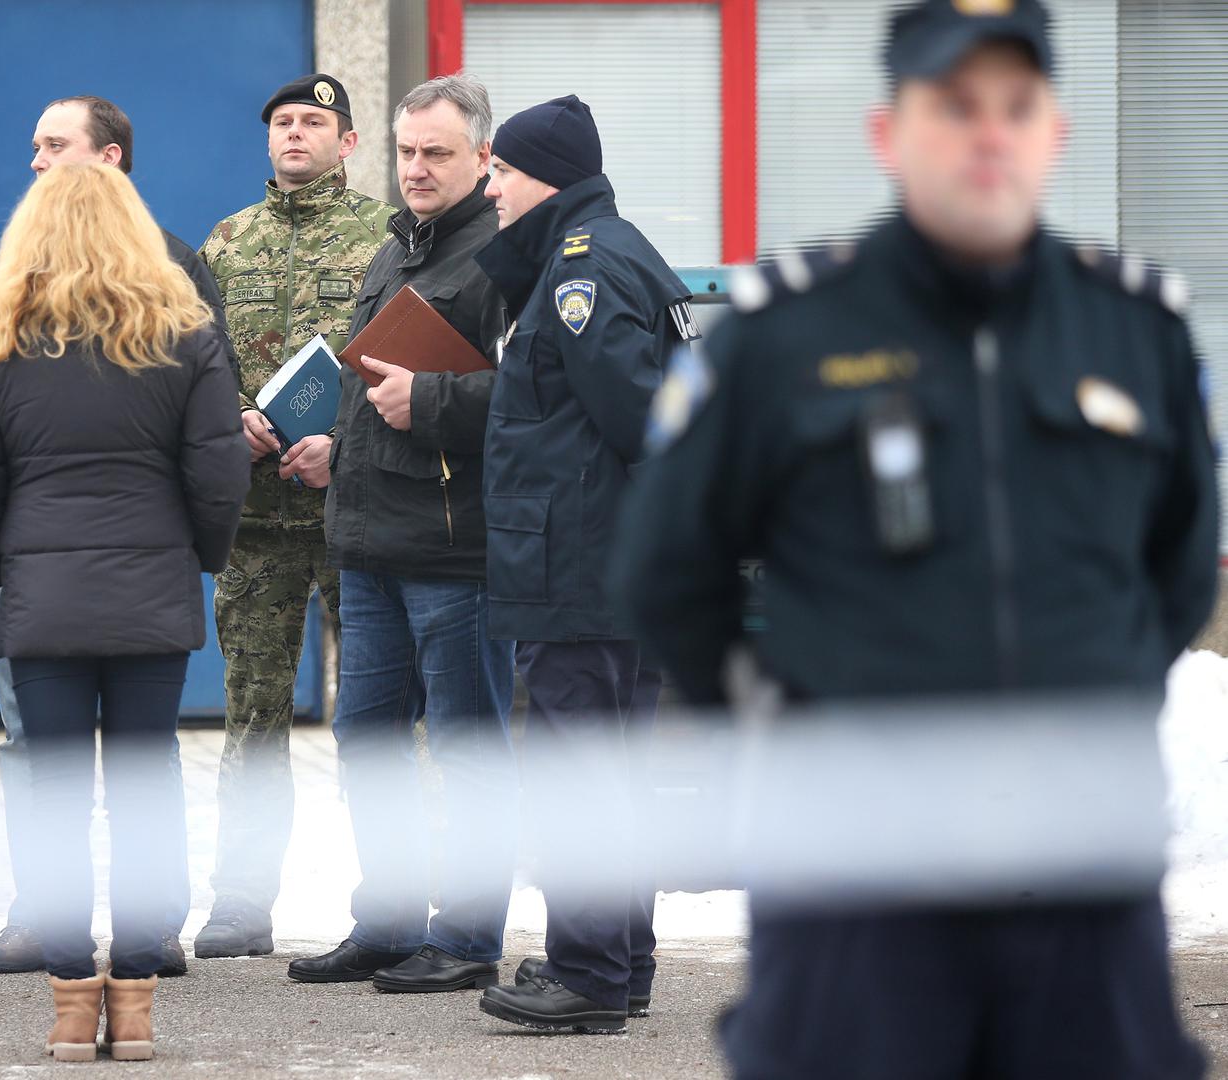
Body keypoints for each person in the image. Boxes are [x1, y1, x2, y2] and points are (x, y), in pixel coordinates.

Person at [618, 2, 1215, 1076]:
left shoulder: (1137, 332)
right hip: (856, 877)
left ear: (1055, 134)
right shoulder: (785, 334)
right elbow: (668, 568)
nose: (989, 133)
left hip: (1080, 877)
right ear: (889, 133)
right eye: (954, 105)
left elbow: (1174, 570)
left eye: (1016, 107)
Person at [0, 163, 249, 1063]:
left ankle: (73, 1006)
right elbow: (219, 469)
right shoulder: (184, 334)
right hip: (153, 592)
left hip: (41, 601)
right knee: (146, 787)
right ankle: (138, 1004)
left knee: (56, 796)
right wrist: (198, 557)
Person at [468, 96, 695, 1034]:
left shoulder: (582, 268)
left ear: (548, 178)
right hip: (606, 560)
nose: (490, 188)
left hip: (580, 563)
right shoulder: (608, 249)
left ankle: (589, 973)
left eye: (503, 172)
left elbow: (640, 414)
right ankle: (619, 961)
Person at [287, 74, 515, 993]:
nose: (416, 169)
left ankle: (467, 937)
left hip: (457, 552)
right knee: (368, 743)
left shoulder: (503, 259)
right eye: (407, 151)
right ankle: (386, 923)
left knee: (467, 750)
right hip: (371, 542)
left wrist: (431, 400)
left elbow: (527, 401)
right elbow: (370, 386)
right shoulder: (396, 249)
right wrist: (337, 447)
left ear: (482, 158)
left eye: (437, 153)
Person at [193, 73, 394, 959]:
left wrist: (341, 445)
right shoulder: (227, 241)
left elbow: (411, 365)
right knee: (252, 719)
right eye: (283, 122)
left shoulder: (387, 238)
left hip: (359, 516)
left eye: (315, 122)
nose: (296, 135)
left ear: (346, 141)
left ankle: (396, 899)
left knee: (380, 717)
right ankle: (240, 902)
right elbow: (193, 360)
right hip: (254, 524)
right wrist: (224, 419)